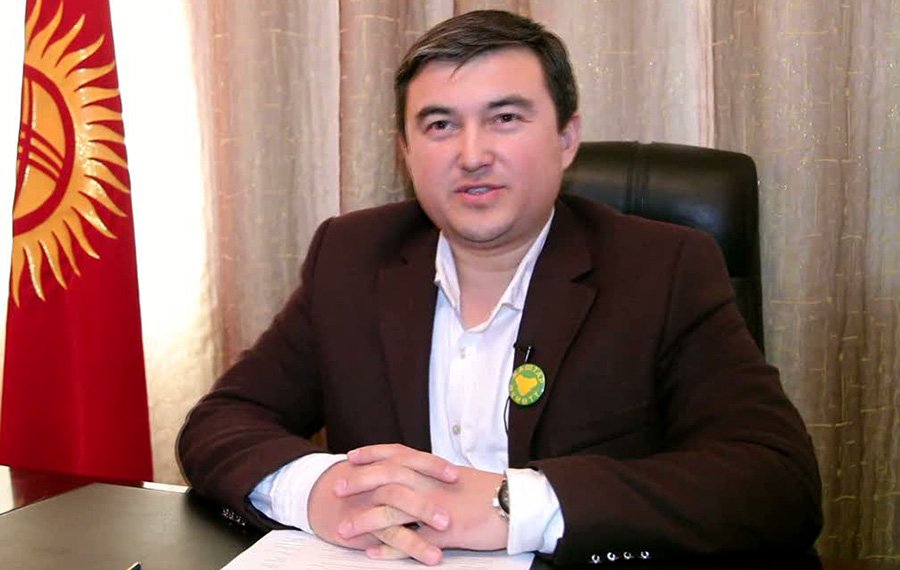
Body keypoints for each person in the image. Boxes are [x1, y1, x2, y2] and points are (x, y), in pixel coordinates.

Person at [177, 9, 822, 567]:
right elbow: (220, 422)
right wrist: (320, 489)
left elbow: (776, 483)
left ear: (566, 139)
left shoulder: (663, 268)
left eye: (505, 118)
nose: (471, 154)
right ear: (406, 151)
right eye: (439, 125)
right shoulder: (351, 256)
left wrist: (514, 505)